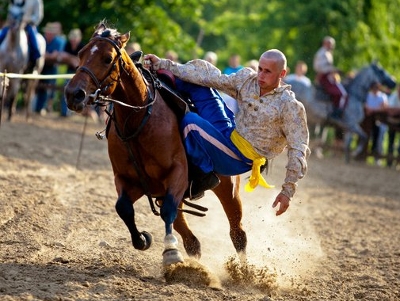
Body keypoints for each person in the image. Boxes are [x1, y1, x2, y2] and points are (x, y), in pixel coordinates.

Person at [144, 49, 310, 216]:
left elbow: (298, 149)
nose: (261, 75)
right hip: (230, 132)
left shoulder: (290, 107)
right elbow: (212, 78)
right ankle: (150, 92)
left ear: (282, 73)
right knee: (200, 81)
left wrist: (287, 191)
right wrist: (163, 64)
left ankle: (198, 177)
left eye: (267, 72)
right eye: (260, 69)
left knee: (191, 122)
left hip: (241, 157)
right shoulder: (247, 80)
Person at [34, 22, 65, 114]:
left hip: (52, 68)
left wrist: (44, 55)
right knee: (40, 88)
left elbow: (55, 56)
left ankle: (44, 107)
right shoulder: (42, 40)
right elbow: (49, 55)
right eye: (46, 32)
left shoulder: (59, 41)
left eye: (49, 32)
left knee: (49, 88)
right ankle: (38, 108)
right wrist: (48, 55)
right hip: (41, 67)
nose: (47, 34)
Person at [313, 36, 347, 119]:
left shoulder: (326, 53)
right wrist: (334, 70)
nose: (332, 46)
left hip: (327, 76)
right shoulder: (323, 53)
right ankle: (335, 114)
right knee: (341, 93)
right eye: (331, 44)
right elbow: (320, 67)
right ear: (325, 43)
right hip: (324, 78)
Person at [0, 0, 43, 64]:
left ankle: (34, 61)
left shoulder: (36, 1)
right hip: (13, 24)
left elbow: (38, 16)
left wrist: (27, 19)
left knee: (34, 43)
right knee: (2, 34)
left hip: (28, 25)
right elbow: (11, 10)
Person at [59, 28, 84, 117]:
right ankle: (64, 112)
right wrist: (72, 59)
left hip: (80, 74)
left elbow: (78, 62)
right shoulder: (68, 44)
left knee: (76, 93)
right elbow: (62, 56)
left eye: (74, 39)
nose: (72, 41)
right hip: (69, 72)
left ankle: (74, 111)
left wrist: (69, 58)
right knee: (66, 90)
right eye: (72, 39)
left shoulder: (82, 47)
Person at [365, 82, 389, 163]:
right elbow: (365, 105)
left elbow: (384, 108)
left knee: (379, 138)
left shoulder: (382, 96)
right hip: (368, 121)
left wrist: (373, 110)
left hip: (379, 121)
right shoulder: (368, 95)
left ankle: (377, 158)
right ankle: (363, 155)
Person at [386, 85, 400, 167]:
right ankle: (389, 162)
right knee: (390, 142)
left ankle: (397, 163)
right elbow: (390, 110)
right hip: (392, 123)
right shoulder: (394, 96)